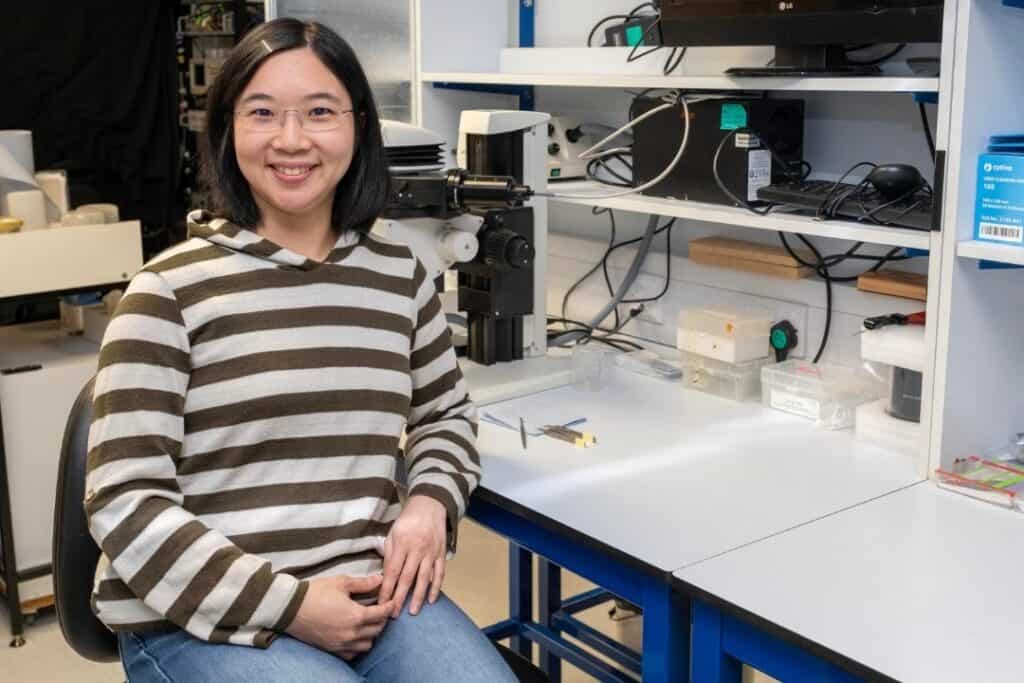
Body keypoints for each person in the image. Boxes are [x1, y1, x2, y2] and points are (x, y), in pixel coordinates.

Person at [84, 17, 516, 682]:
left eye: (319, 111)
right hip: (198, 617)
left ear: (359, 125)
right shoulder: (167, 293)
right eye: (263, 113)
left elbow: (444, 417)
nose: (292, 139)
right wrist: (290, 605)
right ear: (229, 130)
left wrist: (430, 503)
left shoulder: (399, 275)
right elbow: (125, 502)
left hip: (371, 592)